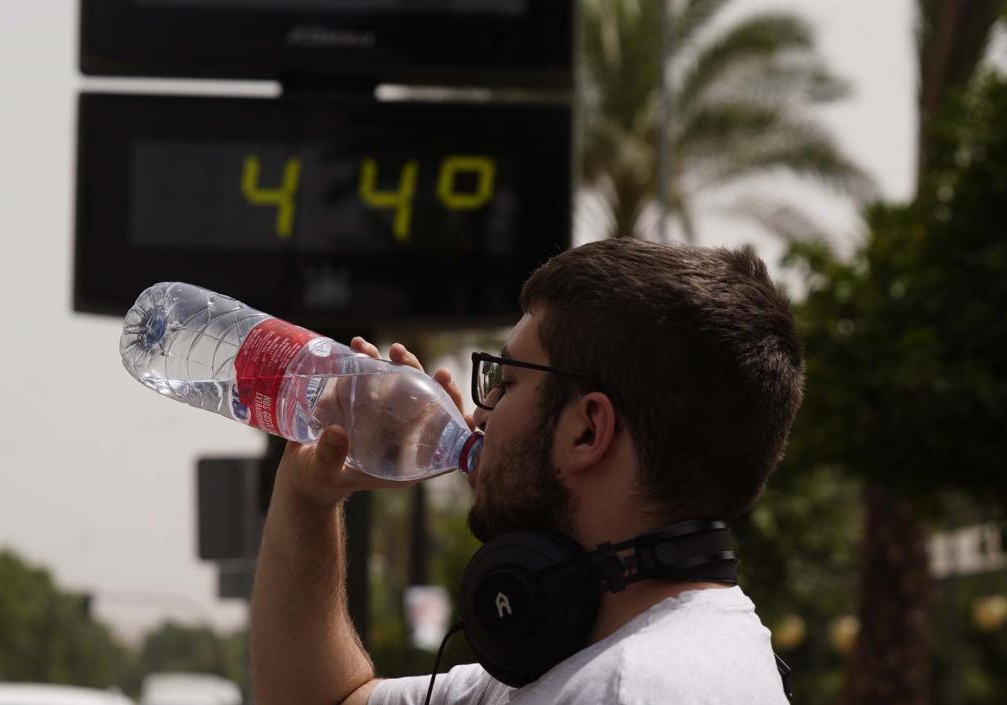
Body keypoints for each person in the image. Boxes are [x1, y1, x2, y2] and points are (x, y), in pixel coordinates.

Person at [250, 238, 805, 705]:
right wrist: (308, 495)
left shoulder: (627, 688)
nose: (479, 413)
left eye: (506, 382)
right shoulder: (609, 656)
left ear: (588, 431)